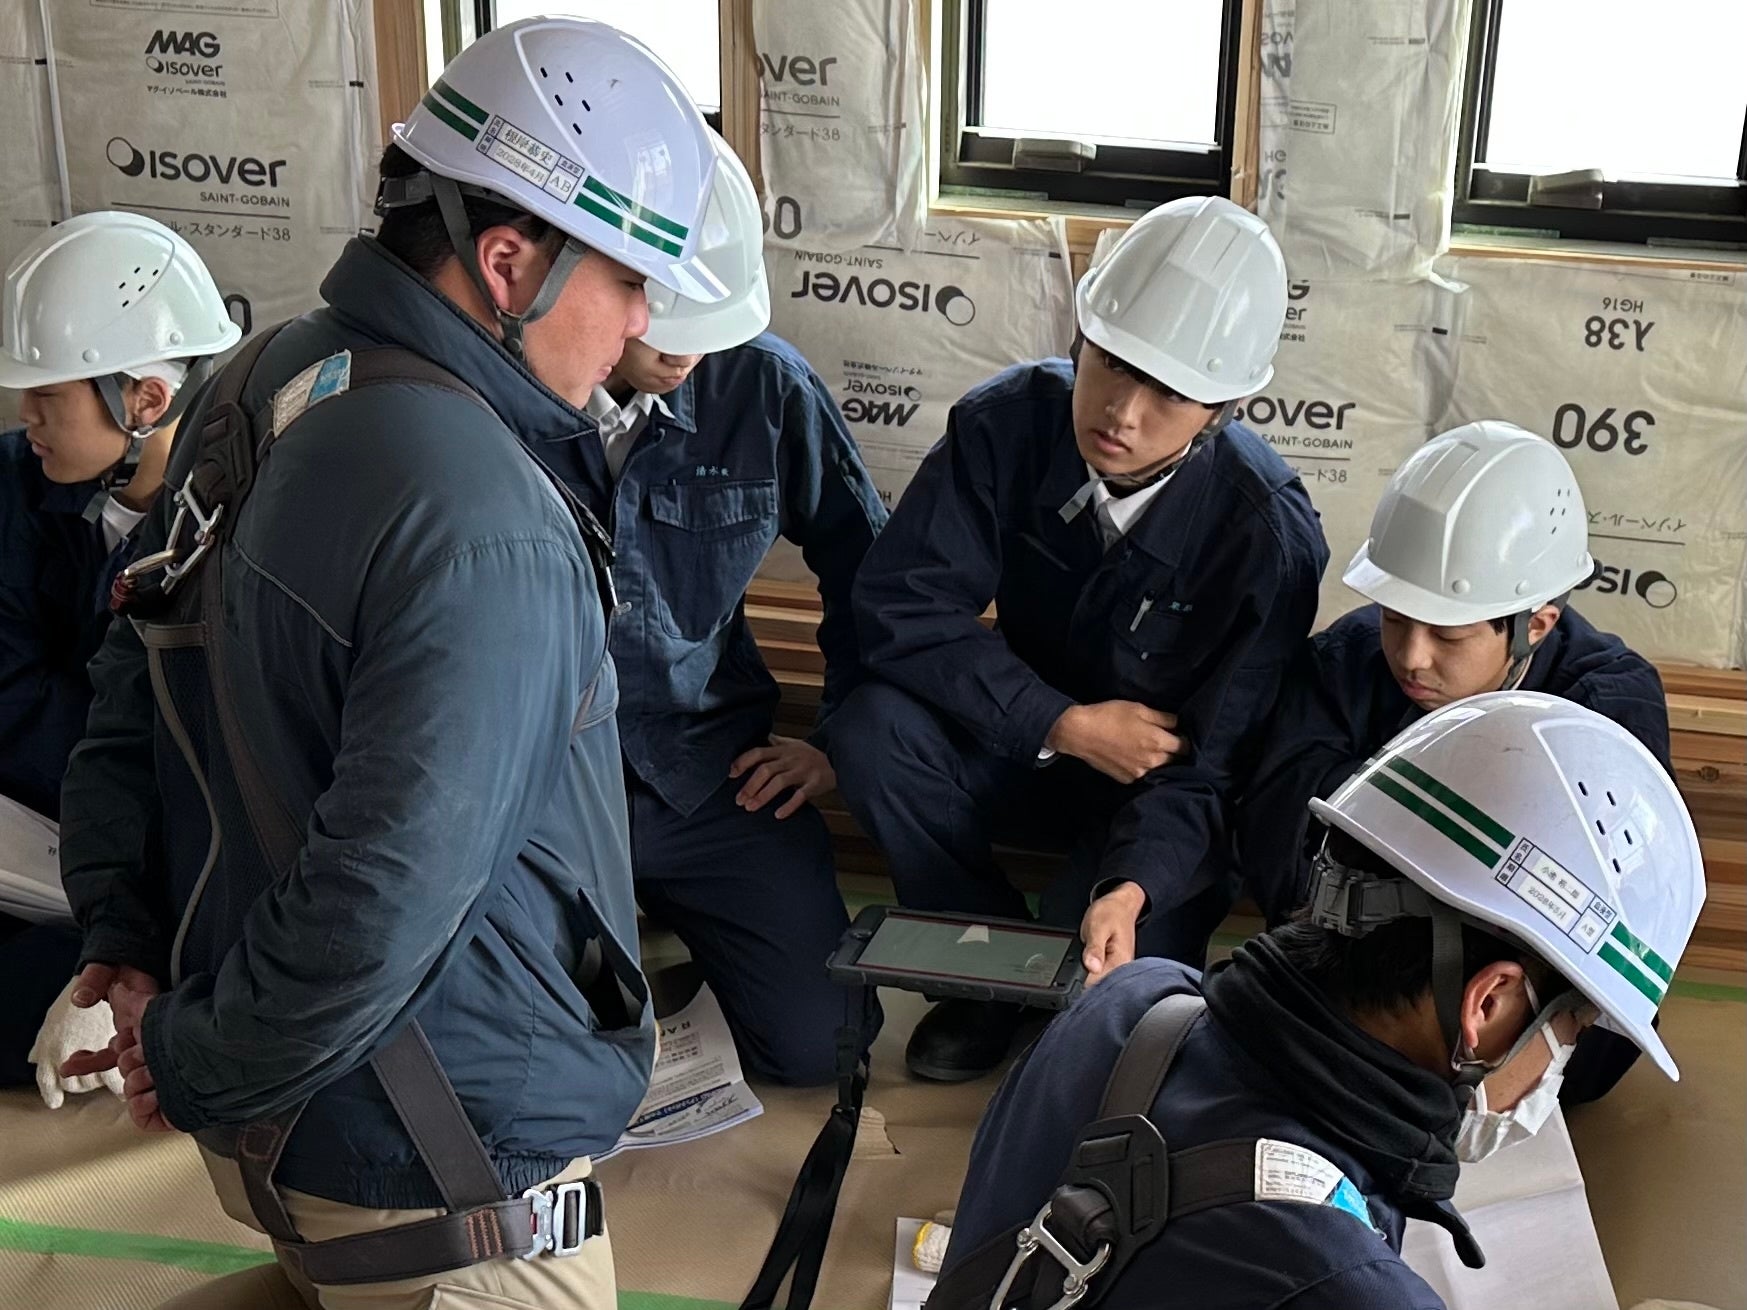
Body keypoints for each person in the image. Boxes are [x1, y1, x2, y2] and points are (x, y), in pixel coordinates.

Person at [54, 18, 726, 1308]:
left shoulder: (264, 376)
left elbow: (135, 689)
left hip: (304, 1126)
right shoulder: (485, 520)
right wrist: (187, 1056)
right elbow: (379, 898)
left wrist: (127, 930)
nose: (646, 319)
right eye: (631, 276)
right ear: (509, 260)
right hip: (450, 1174)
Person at [930, 692, 1705, 1310]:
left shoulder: (1131, 1000)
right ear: (1489, 1002)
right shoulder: (1339, 1284)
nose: (1554, 1069)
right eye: (1568, 1032)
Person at [828, 196, 1329, 1080]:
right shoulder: (1005, 424)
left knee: (1093, 1024)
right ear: (1079, 337)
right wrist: (1060, 723)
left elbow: (1214, 769)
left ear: (1220, 408)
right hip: (1024, 745)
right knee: (873, 730)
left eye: (1168, 392)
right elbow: (901, 606)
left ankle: (1054, 965)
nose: (1122, 412)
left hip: (1156, 806)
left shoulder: (1266, 539)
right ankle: (980, 972)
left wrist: (1130, 888)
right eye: (1110, 363)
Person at [577, 133, 886, 1084]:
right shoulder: (490, 398)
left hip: (709, 770)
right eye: (662, 323)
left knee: (825, 1043)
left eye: (706, 325)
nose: (683, 351)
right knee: (516, 1063)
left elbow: (873, 578)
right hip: (542, 787)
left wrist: (835, 741)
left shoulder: (763, 386)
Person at [1237, 420, 1667, 1102]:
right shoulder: (1346, 663)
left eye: (1447, 634)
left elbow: (1610, 930)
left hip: (1523, 1005)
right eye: (1394, 617)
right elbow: (1282, 848)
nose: (1411, 657)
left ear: (1535, 624)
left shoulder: (1604, 712)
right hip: (1361, 979)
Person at [0, 211, 237, 1107]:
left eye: (48, 397)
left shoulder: (240, 523)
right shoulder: (13, 485)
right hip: (42, 826)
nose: (26, 418)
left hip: (158, 860)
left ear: (144, 400)